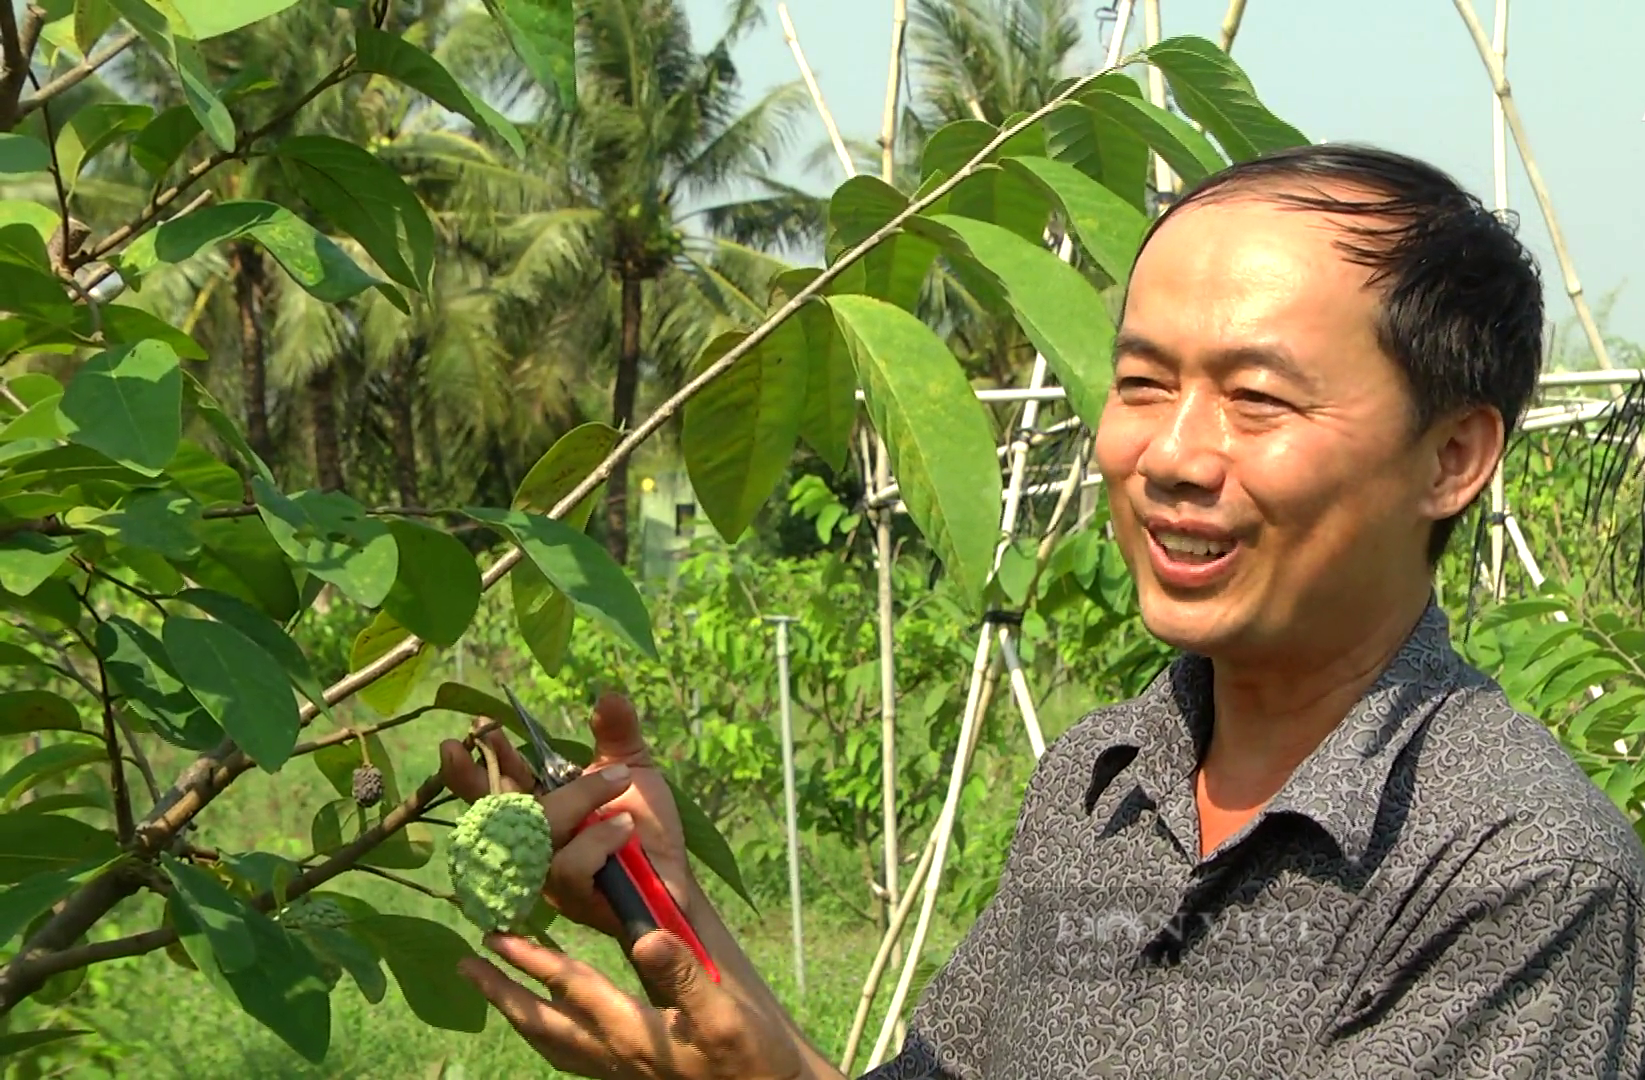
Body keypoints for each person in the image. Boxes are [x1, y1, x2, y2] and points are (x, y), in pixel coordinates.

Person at [439, 143, 1645, 1079]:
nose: (1170, 453)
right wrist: (677, 917)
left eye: (1257, 399)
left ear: (1450, 457)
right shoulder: (1102, 783)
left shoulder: (1520, 876)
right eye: (1140, 383)